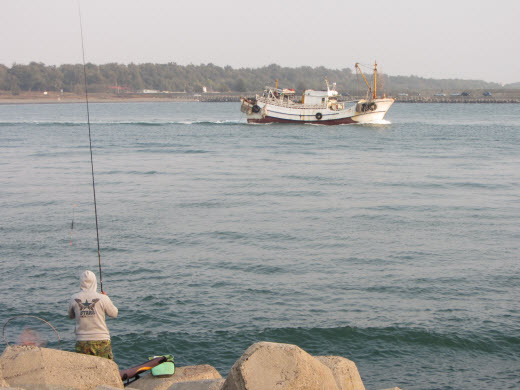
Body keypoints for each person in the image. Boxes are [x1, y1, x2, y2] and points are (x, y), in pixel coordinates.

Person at [68, 270, 118, 359]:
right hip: (101, 340)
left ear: (81, 282)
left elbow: (71, 316)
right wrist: (107, 297)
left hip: (82, 341)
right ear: (95, 282)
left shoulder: (74, 298)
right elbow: (114, 314)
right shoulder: (103, 298)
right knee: (105, 369)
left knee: (85, 369)